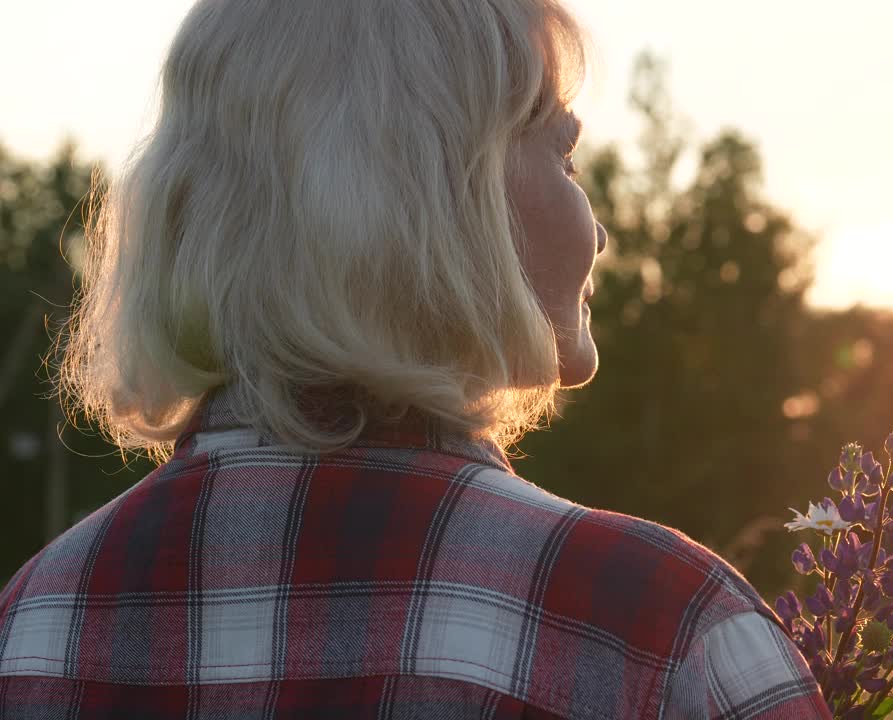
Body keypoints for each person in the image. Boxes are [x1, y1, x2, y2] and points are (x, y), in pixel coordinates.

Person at [0, 1, 831, 717]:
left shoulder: (31, 626)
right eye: (565, 156)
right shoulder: (656, 627)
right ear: (443, 190)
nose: (602, 232)